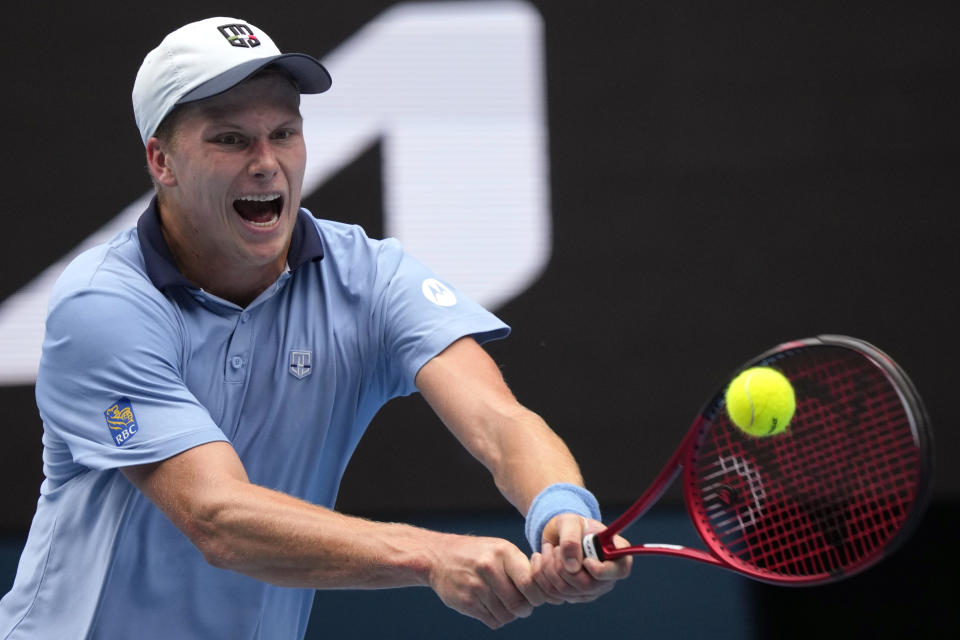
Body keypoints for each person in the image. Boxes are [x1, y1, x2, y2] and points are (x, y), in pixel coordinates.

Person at [0, 17, 630, 638]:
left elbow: (499, 420)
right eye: (231, 139)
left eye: (285, 133)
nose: (267, 163)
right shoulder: (103, 305)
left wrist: (560, 509)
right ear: (161, 161)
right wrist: (429, 555)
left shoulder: (371, 278)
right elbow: (216, 517)